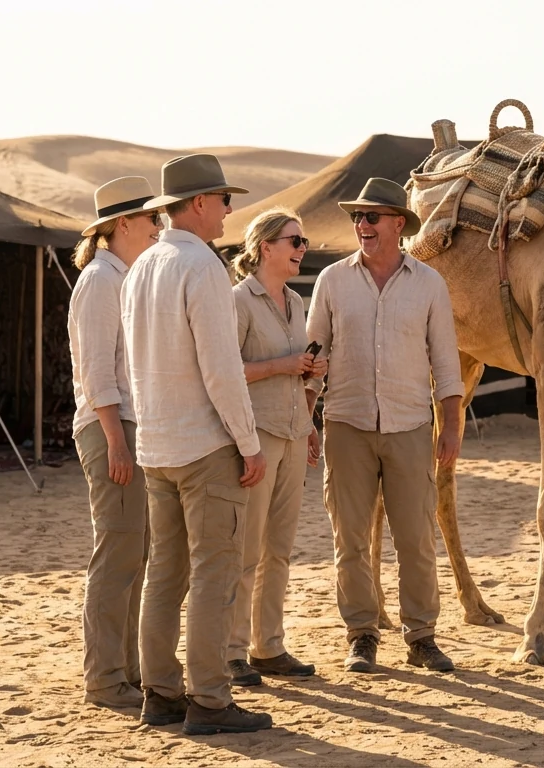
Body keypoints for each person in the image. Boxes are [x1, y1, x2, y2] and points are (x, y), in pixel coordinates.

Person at [120, 154, 271, 735]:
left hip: (157, 442)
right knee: (214, 573)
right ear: (201, 203)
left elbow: (135, 361)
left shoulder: (141, 267)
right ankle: (209, 699)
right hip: (205, 445)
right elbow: (222, 369)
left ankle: (160, 693)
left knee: (166, 573)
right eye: (225, 200)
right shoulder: (204, 267)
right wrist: (249, 443)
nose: (230, 210)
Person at [306, 177, 465, 674]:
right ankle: (361, 635)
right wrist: (306, 417)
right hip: (346, 424)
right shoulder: (330, 280)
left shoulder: (429, 284)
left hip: (411, 425)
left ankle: (422, 637)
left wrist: (452, 422)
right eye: (357, 217)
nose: (362, 225)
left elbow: (446, 359)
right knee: (349, 538)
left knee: (415, 535)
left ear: (399, 223)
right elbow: (314, 354)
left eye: (372, 217)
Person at [69, 177, 164, 709]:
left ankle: (123, 671)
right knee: (118, 550)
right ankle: (105, 677)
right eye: (151, 219)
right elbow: (96, 373)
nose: (158, 227)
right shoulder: (100, 281)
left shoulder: (125, 277)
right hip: (111, 427)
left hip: (131, 426)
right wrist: (116, 443)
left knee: (136, 551)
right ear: (122, 224)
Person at [224, 208, 327, 685]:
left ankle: (269, 646)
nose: (302, 249)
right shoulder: (237, 302)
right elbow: (227, 372)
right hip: (254, 436)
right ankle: (231, 652)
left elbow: (293, 369)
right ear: (265, 246)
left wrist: (308, 397)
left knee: (279, 549)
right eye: (295, 241)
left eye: (303, 242)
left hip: (291, 430)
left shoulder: (297, 301)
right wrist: (284, 365)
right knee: (245, 550)